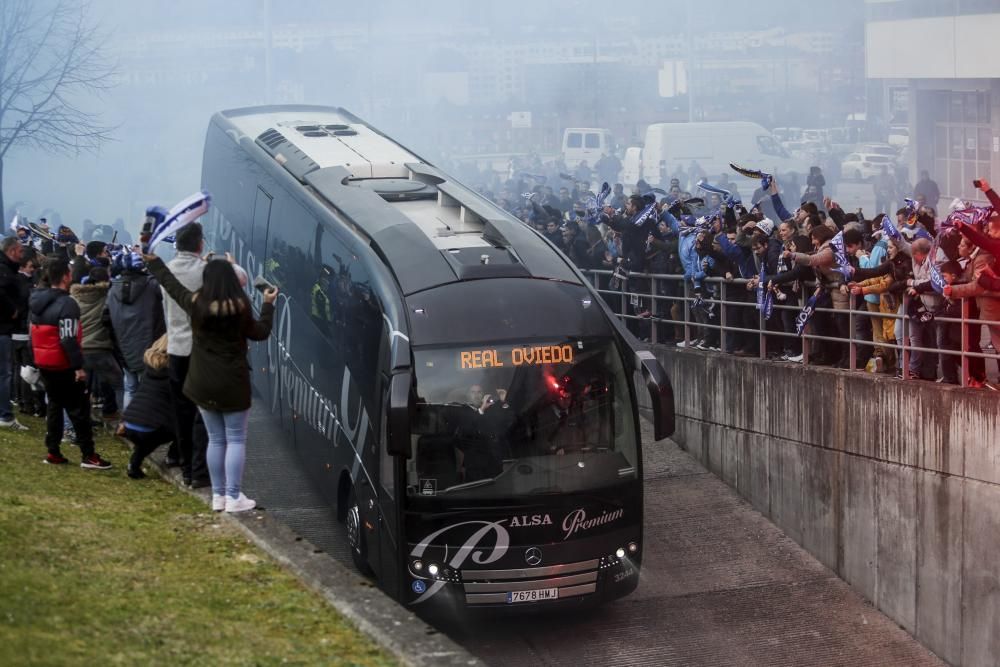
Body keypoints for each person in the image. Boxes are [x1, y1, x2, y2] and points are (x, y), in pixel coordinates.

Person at [145, 248, 277, 513]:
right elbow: (261, 332)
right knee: (236, 439)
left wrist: (155, 263)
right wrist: (267, 305)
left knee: (215, 440)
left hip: (201, 381)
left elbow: (171, 285)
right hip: (233, 382)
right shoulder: (240, 309)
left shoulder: (197, 305)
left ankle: (218, 496)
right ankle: (234, 496)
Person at [29, 258, 112, 468]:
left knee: (55, 406)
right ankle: (88, 454)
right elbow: (68, 338)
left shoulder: (36, 301)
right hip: (64, 364)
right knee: (79, 410)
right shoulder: (67, 304)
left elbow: (33, 333)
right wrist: (78, 366)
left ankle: (53, 451)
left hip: (44, 362)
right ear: (66, 276)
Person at [161, 223, 211, 487]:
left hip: (175, 348)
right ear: (199, 244)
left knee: (181, 410)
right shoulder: (204, 271)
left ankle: (186, 466)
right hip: (199, 350)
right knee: (201, 413)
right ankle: (200, 467)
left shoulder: (167, 271)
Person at [106, 251, 165, 408]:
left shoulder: (112, 290)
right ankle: (145, 424)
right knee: (149, 390)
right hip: (151, 347)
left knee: (130, 387)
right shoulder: (152, 286)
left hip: (124, 347)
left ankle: (128, 424)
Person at [116, 334, 176, 479]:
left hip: (130, 423)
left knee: (146, 442)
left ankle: (134, 465)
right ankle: (174, 457)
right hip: (149, 427)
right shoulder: (173, 372)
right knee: (180, 430)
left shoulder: (149, 368)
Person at [71, 265, 124, 420]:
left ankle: (79, 421)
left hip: (80, 349)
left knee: (81, 388)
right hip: (101, 348)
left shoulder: (75, 297)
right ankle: (122, 420)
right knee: (119, 384)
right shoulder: (107, 296)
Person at [0, 237, 29, 430]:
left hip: (5, 328)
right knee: (4, 373)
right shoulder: (3, 270)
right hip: (2, 328)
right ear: (11, 251)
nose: (22, 255)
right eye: (20, 252)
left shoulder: (7, 268)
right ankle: (5, 415)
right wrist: (13, 310)